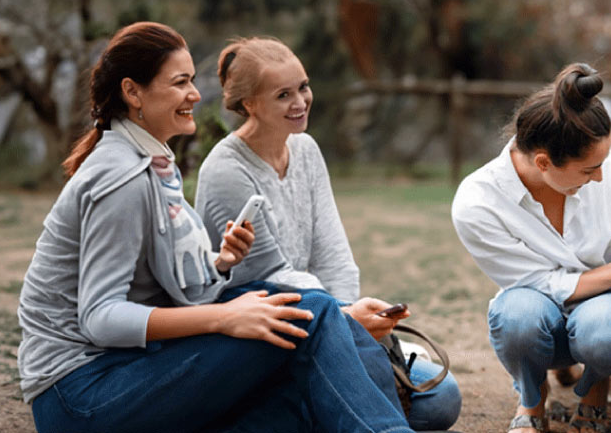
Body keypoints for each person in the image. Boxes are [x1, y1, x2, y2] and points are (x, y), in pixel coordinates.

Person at [17, 21, 415, 433]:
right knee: (304, 310)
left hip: (127, 372)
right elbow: (101, 317)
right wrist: (222, 318)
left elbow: (164, 282)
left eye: (191, 80)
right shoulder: (121, 178)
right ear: (133, 91)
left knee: (293, 383)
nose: (195, 94)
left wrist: (220, 263)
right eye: (180, 82)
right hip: (82, 394)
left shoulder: (153, 161)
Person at [194, 36, 462, 431]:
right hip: (272, 335)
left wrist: (349, 322)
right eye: (283, 94)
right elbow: (272, 274)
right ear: (249, 104)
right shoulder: (226, 170)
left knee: (440, 399)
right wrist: (344, 322)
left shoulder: (305, 150)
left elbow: (332, 252)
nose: (300, 102)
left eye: (303, 87)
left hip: (327, 318)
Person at [450, 63, 611, 433]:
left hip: (609, 307)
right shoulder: (477, 203)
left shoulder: (610, 171)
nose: (600, 176)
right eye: (588, 170)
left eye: (602, 164)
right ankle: (532, 402)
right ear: (543, 162)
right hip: (538, 309)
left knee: (604, 331)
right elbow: (539, 283)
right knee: (517, 317)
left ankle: (595, 393)